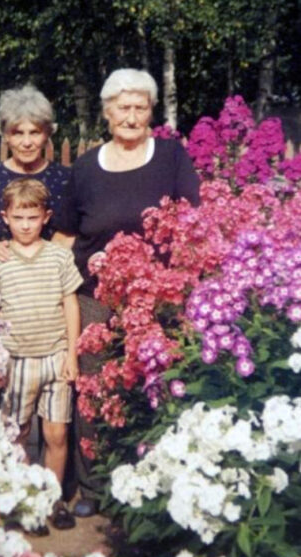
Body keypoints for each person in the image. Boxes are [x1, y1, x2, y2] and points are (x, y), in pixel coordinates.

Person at [53, 68, 200, 518]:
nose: (131, 116)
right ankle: (94, 488)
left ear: (151, 112)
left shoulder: (171, 157)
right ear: (107, 112)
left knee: (154, 387)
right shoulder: (85, 168)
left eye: (140, 107)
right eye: (123, 107)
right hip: (95, 298)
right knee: (94, 389)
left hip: (157, 300)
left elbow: (191, 224)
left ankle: (152, 487)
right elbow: (65, 236)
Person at [0, 178, 83, 532]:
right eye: (18, 218)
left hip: (55, 357)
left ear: (46, 217)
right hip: (16, 360)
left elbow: (70, 304)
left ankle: (52, 499)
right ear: (5, 217)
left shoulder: (59, 257)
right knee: (18, 433)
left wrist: (72, 354)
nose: (25, 225)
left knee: (56, 435)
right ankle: (26, 501)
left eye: (33, 217)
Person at [0, 84, 70, 265]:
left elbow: (82, 232)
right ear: (5, 136)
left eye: (34, 132)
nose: (27, 142)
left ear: (47, 134)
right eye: (18, 133)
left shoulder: (65, 180)